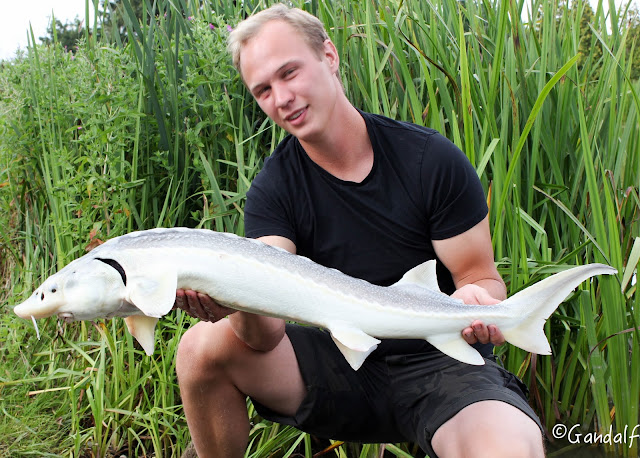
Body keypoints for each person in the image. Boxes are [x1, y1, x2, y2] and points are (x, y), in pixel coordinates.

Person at [174, 4, 545, 457]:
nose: (281, 98)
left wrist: (478, 299)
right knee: (199, 347)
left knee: (509, 447)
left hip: (444, 364)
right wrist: (230, 299)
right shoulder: (273, 189)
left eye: (289, 73)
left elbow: (480, 276)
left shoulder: (429, 159)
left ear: (329, 56)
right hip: (341, 366)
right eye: (263, 90)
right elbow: (264, 336)